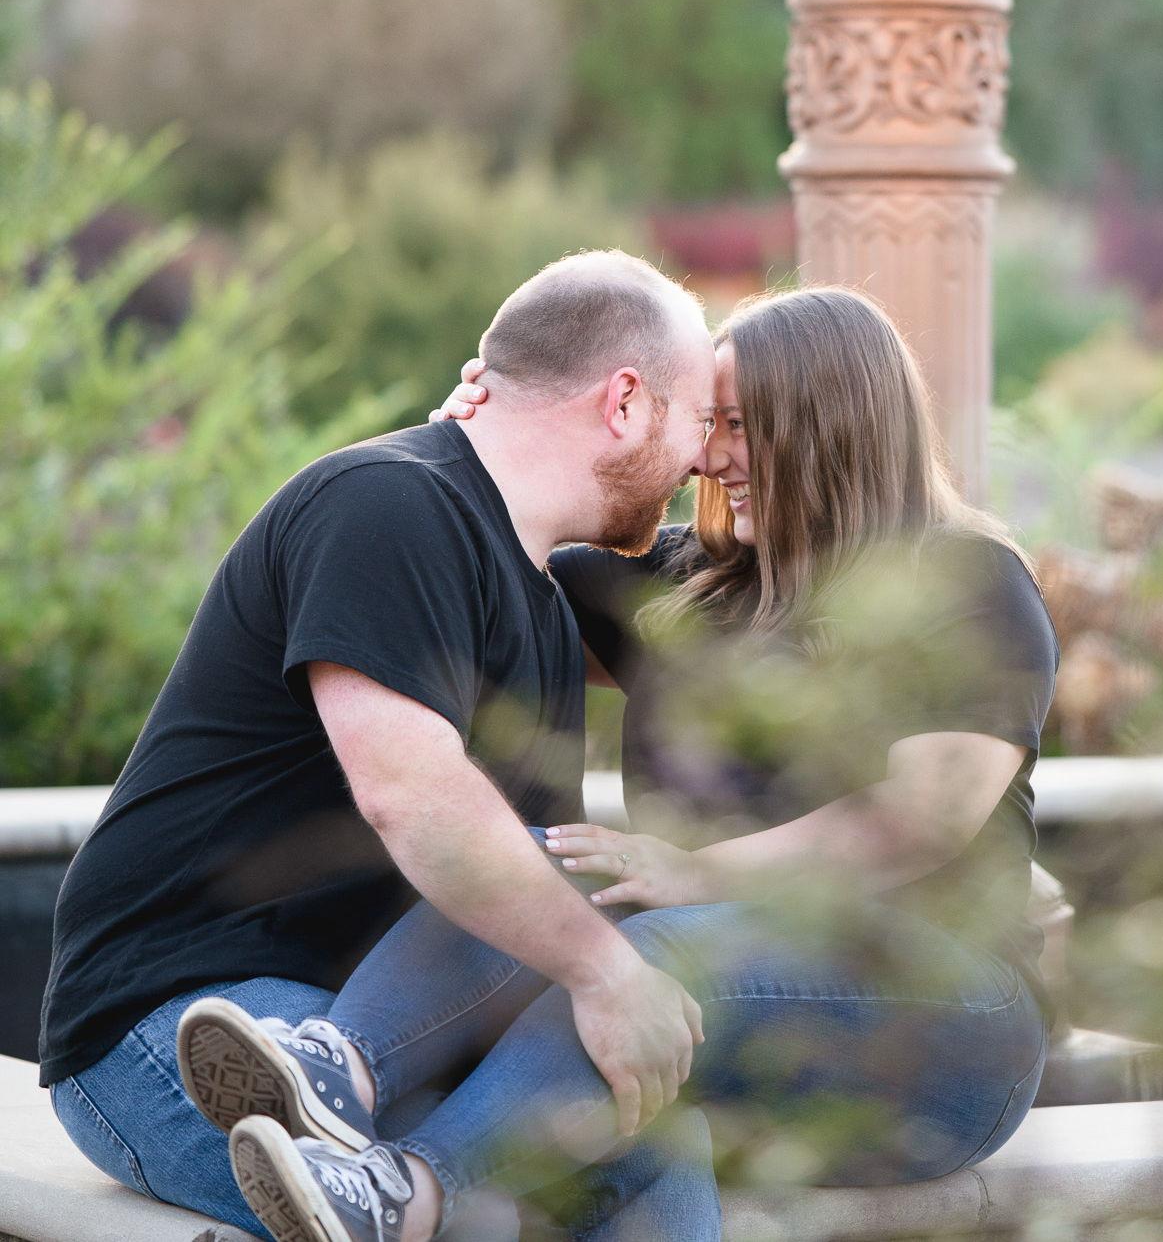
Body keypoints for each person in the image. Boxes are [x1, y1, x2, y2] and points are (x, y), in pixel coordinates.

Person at [208, 283, 1055, 1242]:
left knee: (642, 951)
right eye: (706, 421)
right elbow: (483, 545)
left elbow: (922, 815)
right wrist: (481, 433)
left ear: (829, 423)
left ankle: (412, 1198)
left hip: (943, 1027)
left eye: (737, 425)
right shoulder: (686, 587)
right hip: (727, 1015)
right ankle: (335, 1070)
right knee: (547, 867)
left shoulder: (964, 580)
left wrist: (694, 872)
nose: (707, 454)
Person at [39, 249, 720, 1242]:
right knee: (524, 1185)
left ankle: (391, 1151)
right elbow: (415, 795)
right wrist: (608, 973)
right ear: (624, 403)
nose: (705, 459)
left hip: (365, 1025)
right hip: (184, 1027)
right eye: (702, 419)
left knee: (648, 1131)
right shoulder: (385, 504)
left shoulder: (543, 581)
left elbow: (774, 590)